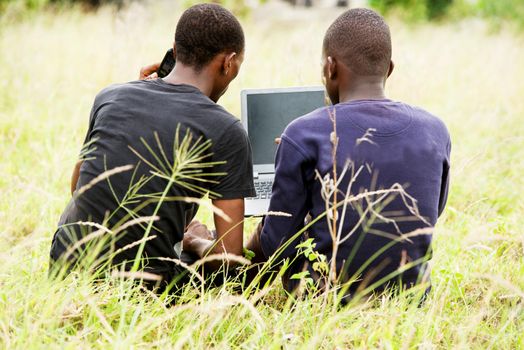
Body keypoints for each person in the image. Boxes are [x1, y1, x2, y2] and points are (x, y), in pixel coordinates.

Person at [246, 8, 451, 300]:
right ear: (389, 68)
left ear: (330, 67)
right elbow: (430, 214)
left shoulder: (301, 133)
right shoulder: (436, 130)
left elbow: (278, 245)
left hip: (323, 297)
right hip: (411, 297)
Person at [49, 3, 255, 292]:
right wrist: (192, 239)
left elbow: (78, 189)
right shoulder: (226, 130)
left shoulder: (110, 97)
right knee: (237, 271)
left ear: (173, 49)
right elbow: (229, 257)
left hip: (66, 268)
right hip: (145, 288)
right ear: (228, 63)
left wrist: (138, 90)